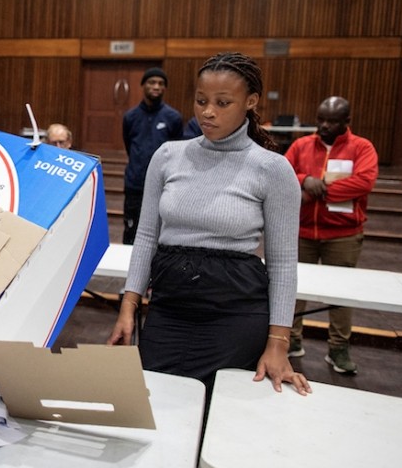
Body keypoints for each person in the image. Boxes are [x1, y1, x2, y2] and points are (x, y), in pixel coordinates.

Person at [106, 52, 311, 397]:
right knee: (158, 408)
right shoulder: (169, 156)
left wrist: (278, 343)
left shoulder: (272, 169)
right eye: (201, 101)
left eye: (222, 102)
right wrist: (128, 307)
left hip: (235, 314)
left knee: (218, 416)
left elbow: (282, 264)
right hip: (169, 308)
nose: (207, 112)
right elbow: (145, 238)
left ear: (251, 101)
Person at [284, 96, 379, 374]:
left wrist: (318, 189)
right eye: (321, 118)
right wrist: (304, 180)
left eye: (332, 121)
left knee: (340, 295)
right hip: (302, 231)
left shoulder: (361, 147)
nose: (324, 125)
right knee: (293, 290)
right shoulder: (301, 145)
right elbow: (284, 171)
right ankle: (291, 340)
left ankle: (338, 348)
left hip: (343, 234)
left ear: (346, 122)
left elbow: (363, 182)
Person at [121, 67, 183, 244]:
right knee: (131, 229)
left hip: (162, 185)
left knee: (160, 232)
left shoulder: (173, 117)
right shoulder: (130, 117)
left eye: (161, 83)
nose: (156, 86)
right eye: (152, 82)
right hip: (135, 183)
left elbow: (177, 150)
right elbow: (128, 145)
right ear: (143, 85)